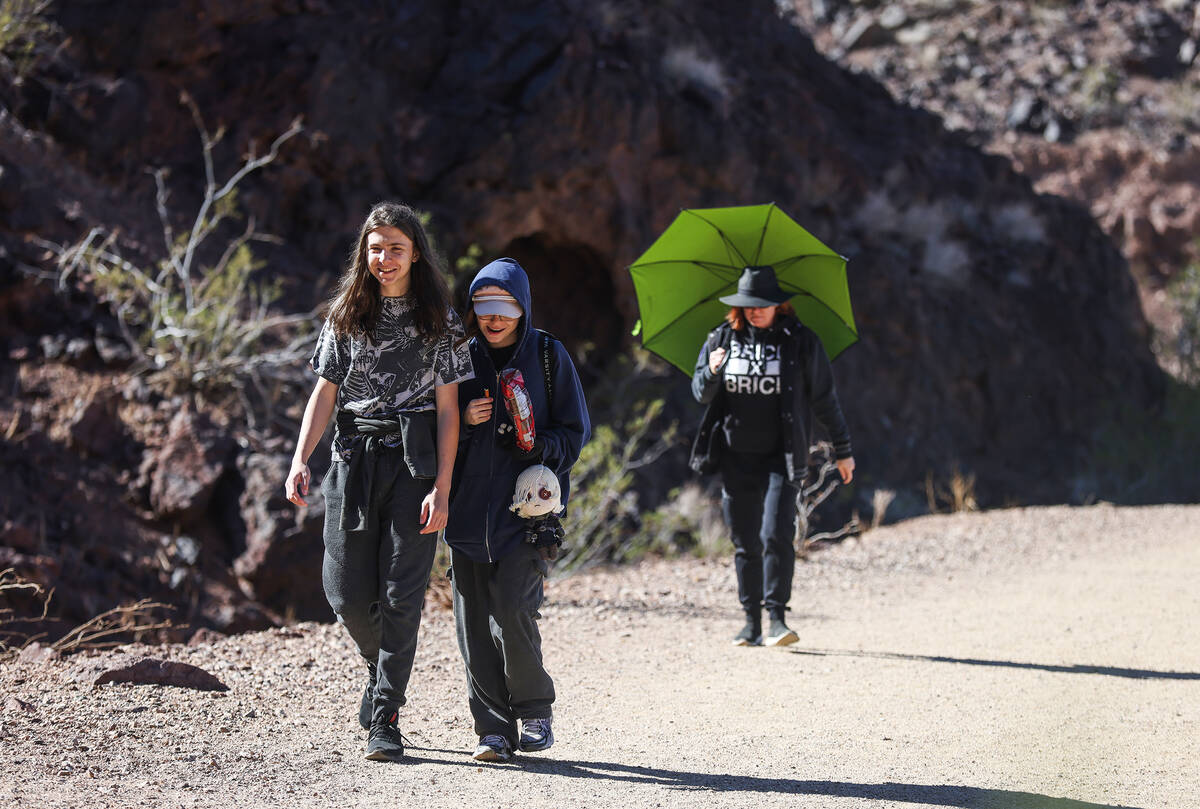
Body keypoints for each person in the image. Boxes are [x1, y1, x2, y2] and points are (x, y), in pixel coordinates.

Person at [284, 201, 473, 762]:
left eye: (395, 247)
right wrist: (300, 459)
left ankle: (386, 716)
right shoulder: (345, 312)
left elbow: (448, 411)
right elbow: (324, 392)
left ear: (415, 252)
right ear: (363, 253)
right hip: (352, 462)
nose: (384, 258)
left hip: (414, 469)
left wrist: (442, 486)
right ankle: (380, 667)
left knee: (401, 595)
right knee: (344, 592)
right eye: (375, 248)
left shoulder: (439, 318)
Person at [444, 258, 590, 763]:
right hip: (465, 514)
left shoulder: (549, 355)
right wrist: (463, 420)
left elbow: (575, 433)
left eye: (504, 305)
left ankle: (534, 712)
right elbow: (432, 432)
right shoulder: (459, 356)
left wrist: (537, 445)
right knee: (471, 624)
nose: (494, 316)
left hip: (527, 515)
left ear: (522, 307)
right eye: (484, 305)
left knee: (513, 609)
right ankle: (492, 731)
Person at [690, 265, 855, 648]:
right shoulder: (721, 338)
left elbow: (825, 400)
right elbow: (700, 393)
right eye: (748, 305)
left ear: (779, 304)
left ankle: (777, 619)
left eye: (762, 304)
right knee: (745, 540)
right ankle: (750, 623)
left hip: (782, 456)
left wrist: (844, 451)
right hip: (735, 456)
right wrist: (713, 370)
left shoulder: (800, 342)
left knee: (776, 533)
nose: (755, 311)